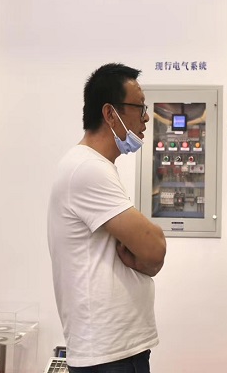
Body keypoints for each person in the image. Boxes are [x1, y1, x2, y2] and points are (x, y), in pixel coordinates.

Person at [48, 63, 167, 372]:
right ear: (111, 114)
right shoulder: (87, 169)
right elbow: (155, 247)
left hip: (114, 350)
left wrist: (148, 261)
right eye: (140, 108)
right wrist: (149, 259)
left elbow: (150, 255)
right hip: (109, 354)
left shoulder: (94, 166)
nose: (146, 118)